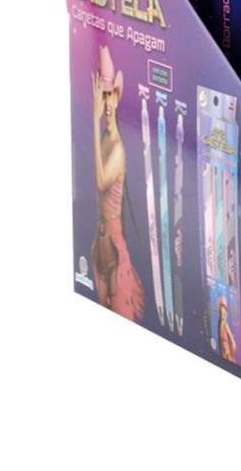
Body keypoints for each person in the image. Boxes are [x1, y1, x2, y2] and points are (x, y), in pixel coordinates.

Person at [91, 46, 145, 321]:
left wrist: (93, 120)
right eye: (103, 96)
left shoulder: (118, 148)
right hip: (101, 240)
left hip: (113, 244)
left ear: (117, 96)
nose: (107, 103)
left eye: (110, 95)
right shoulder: (104, 139)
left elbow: (101, 181)